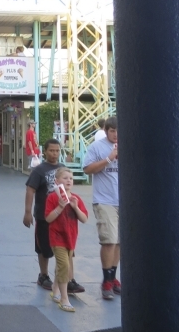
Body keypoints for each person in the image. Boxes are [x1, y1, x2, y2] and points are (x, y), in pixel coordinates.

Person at [23, 139, 83, 296]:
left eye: (57, 151)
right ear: (45, 152)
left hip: (64, 218)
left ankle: (70, 280)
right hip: (45, 215)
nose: (54, 153)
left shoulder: (63, 169)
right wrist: (28, 212)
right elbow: (30, 190)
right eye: (51, 150)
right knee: (44, 248)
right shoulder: (39, 170)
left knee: (68, 248)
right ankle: (43, 275)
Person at [83, 116, 121, 300]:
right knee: (109, 240)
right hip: (105, 200)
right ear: (106, 131)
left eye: (118, 131)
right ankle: (106, 279)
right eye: (112, 131)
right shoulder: (97, 147)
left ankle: (113, 277)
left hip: (123, 200)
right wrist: (108, 159)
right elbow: (87, 169)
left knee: (119, 241)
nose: (115, 134)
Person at [44, 167, 88, 312]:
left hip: (71, 238)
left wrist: (75, 208)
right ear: (57, 181)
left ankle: (55, 288)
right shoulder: (52, 198)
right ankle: (64, 298)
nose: (69, 180)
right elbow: (48, 218)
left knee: (61, 265)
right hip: (57, 237)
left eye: (71, 178)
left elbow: (84, 219)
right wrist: (60, 207)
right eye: (65, 178)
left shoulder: (76, 198)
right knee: (64, 265)